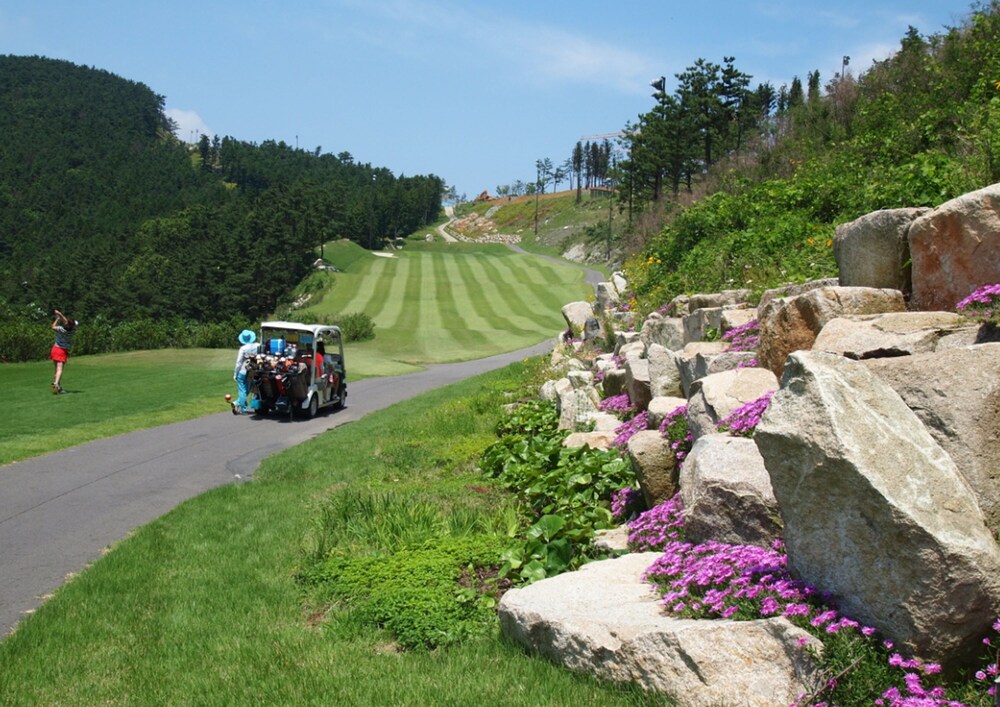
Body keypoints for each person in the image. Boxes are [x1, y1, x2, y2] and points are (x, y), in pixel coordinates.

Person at [50, 309, 77, 394]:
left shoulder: (60, 329)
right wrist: (60, 315)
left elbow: (53, 326)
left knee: (56, 370)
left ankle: (58, 387)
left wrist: (58, 318)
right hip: (62, 351)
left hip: (55, 349)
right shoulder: (72, 331)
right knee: (59, 369)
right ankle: (56, 384)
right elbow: (66, 322)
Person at [233, 329, 259, 414]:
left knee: (242, 389)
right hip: (252, 370)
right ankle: (237, 403)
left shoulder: (243, 348)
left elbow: (239, 362)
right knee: (247, 388)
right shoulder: (257, 346)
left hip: (242, 371)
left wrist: (235, 373)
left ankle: (242, 408)